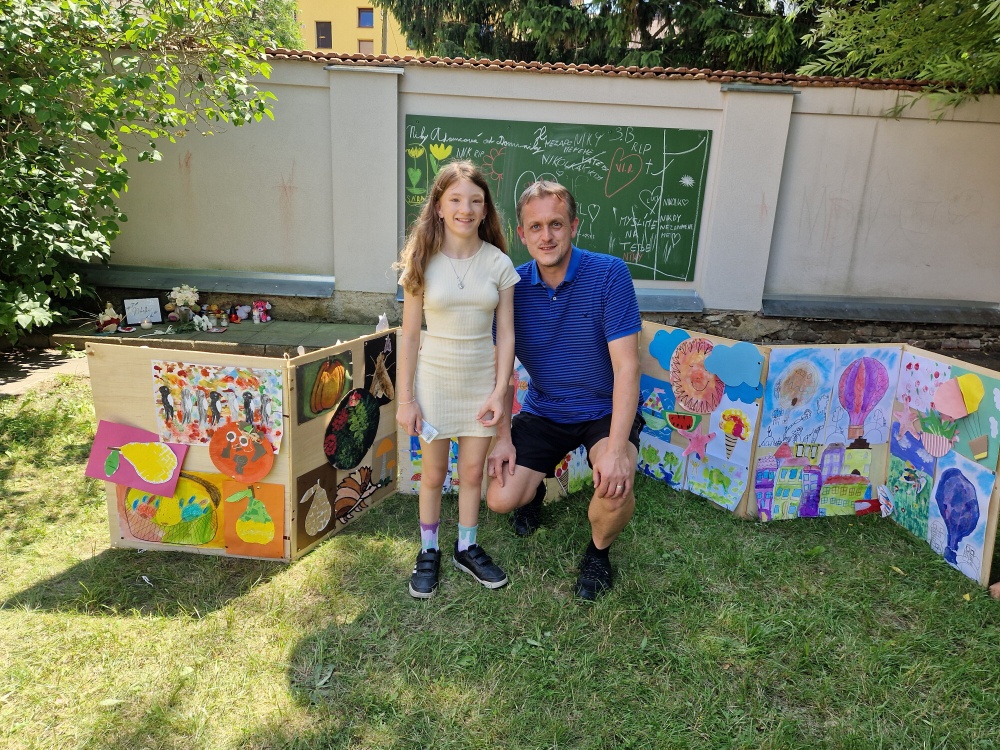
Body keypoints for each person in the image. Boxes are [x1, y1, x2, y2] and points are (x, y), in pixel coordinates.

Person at [486, 180, 642, 600]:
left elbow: (627, 367)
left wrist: (616, 452)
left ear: (573, 226)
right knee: (500, 498)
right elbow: (502, 373)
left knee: (614, 487)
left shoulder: (609, 274)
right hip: (545, 409)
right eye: (535, 227)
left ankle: (598, 554)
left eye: (556, 224)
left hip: (603, 409)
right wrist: (503, 439)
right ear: (522, 234)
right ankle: (533, 491)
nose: (547, 236)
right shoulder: (510, 288)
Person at [396, 160, 519, 599]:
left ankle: (466, 547)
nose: (465, 209)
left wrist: (500, 393)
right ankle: (428, 549)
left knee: (470, 472)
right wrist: (405, 399)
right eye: (455, 200)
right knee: (432, 474)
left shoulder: (499, 264)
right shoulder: (422, 261)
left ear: (485, 210)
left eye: (475, 201)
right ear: (439, 206)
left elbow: (506, 334)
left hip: (480, 385)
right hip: (434, 384)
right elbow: (411, 334)